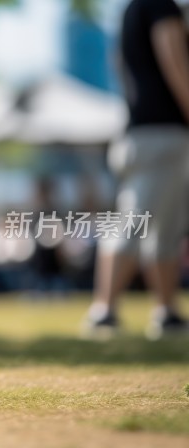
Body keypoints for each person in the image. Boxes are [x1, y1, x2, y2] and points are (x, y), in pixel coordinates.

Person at [85, 0, 189, 339]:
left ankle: (167, 312)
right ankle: (104, 311)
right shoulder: (161, 6)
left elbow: (119, 64)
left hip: (141, 132)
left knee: (163, 228)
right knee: (135, 223)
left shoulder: (132, 9)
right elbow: (175, 58)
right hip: (162, 133)